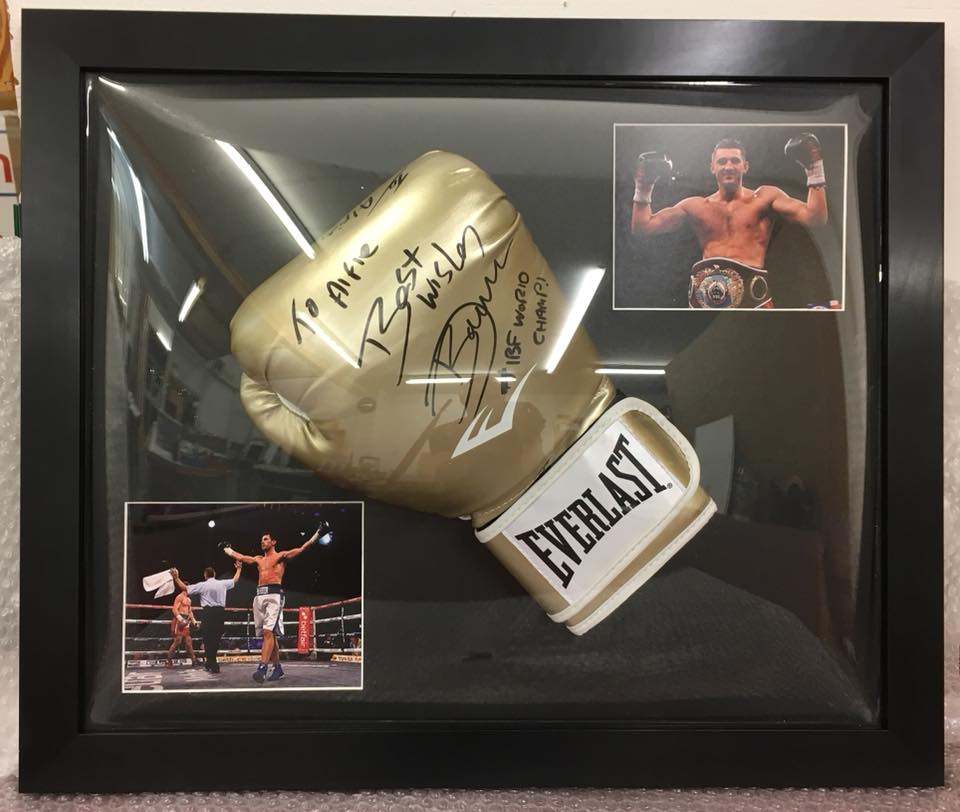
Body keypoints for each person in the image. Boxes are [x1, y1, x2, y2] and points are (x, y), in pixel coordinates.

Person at [630, 134, 828, 308]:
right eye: (722, 161)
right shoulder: (696, 206)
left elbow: (815, 218)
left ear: (745, 166)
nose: (728, 166)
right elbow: (643, 226)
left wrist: (814, 169)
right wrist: (643, 187)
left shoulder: (765, 198)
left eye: (734, 160)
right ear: (712, 167)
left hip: (753, 302)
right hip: (704, 304)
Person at [223, 524, 327, 683]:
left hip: (274, 596)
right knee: (269, 635)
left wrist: (317, 534)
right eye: (261, 540)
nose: (262, 542)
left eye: (266, 539)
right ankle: (277, 668)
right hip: (259, 597)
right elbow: (243, 557)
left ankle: (262, 668)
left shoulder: (281, 557)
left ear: (273, 542)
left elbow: (301, 548)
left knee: (267, 633)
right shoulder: (258, 559)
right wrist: (228, 550)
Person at [170, 560, 242, 674]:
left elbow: (185, 588)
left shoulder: (203, 585)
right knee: (216, 639)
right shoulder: (222, 583)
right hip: (220, 613)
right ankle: (211, 663)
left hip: (208, 613)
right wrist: (239, 569)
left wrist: (176, 577)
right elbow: (235, 579)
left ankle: (211, 663)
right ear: (214, 574)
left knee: (208, 639)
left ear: (205, 575)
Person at [165, 587, 200, 668]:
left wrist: (194, 622)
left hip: (186, 620)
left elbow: (190, 612)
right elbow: (174, 609)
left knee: (188, 641)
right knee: (178, 641)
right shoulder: (179, 597)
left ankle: (194, 660)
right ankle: (168, 661)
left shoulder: (189, 600)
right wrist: (181, 619)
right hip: (179, 620)